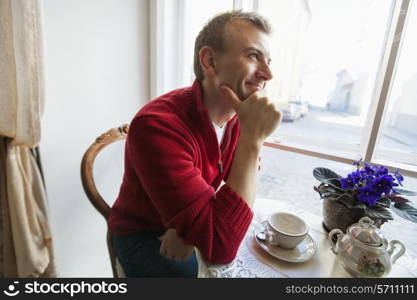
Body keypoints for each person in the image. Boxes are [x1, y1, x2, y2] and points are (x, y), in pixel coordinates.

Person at [108, 10, 281, 277]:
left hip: (180, 216)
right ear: (210, 61)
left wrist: (184, 227)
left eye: (268, 60)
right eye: (253, 55)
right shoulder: (157, 125)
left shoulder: (236, 115)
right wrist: (252, 139)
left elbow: (246, 172)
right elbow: (220, 250)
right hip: (143, 232)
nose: (268, 73)